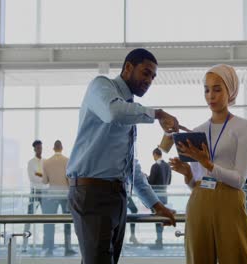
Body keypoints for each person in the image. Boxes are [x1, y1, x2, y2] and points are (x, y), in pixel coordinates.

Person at [66, 48, 178, 264]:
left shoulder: (130, 112)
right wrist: (157, 114)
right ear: (128, 67)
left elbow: (129, 167)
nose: (149, 81)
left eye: (153, 77)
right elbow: (112, 112)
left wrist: (156, 205)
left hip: (117, 197)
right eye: (146, 73)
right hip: (92, 193)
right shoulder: (102, 86)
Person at [170, 64, 247, 264]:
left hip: (230, 201)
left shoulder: (243, 127)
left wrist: (208, 164)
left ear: (230, 91)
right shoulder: (198, 131)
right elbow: (196, 183)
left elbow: (239, 180)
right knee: (197, 258)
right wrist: (188, 175)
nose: (211, 96)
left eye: (217, 89)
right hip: (199, 200)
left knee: (235, 257)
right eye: (207, 90)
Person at [41, 140, 76, 256]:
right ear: (62, 148)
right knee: (67, 222)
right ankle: (68, 248)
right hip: (65, 195)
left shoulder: (46, 162)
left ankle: (49, 248)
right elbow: (70, 180)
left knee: (50, 222)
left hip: (51, 195)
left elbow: (45, 181)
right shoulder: (67, 161)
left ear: (53, 148)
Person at [23, 140, 47, 252]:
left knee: (47, 218)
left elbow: (46, 177)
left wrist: (40, 175)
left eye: (41, 147)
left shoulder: (45, 162)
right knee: (29, 218)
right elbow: (32, 178)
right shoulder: (30, 162)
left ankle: (46, 245)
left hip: (44, 192)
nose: (40, 149)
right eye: (38, 148)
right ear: (34, 149)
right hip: (34, 192)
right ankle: (24, 245)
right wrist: (43, 176)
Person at [147, 148, 172, 250]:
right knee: (161, 219)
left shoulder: (155, 166)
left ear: (155, 154)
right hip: (164, 196)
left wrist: (146, 178)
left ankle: (159, 242)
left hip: (156, 197)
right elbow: (169, 182)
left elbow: (151, 182)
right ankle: (160, 241)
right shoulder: (167, 166)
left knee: (157, 219)